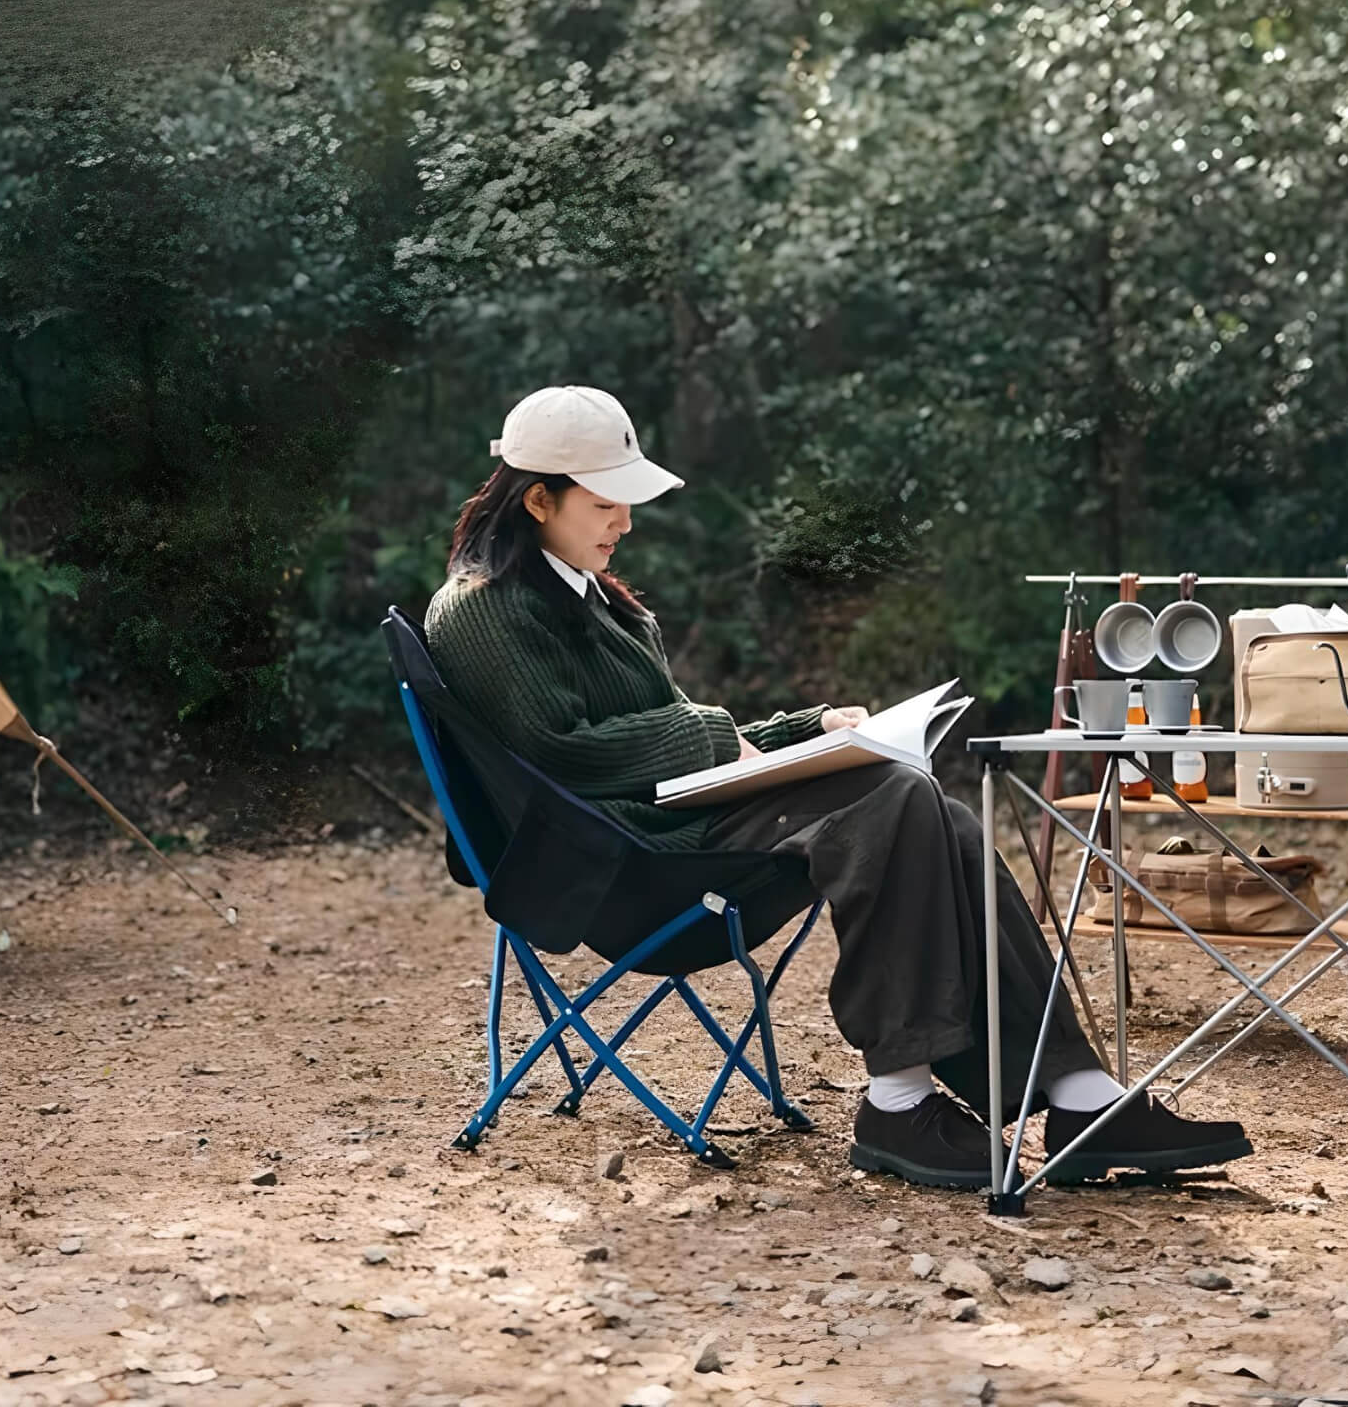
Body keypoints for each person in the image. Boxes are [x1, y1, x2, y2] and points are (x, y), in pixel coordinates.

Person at [424, 385, 1253, 1189]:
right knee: (894, 801)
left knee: (939, 809)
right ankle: (898, 1098)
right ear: (538, 501)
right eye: (606, 503)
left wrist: (811, 730)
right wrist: (724, 735)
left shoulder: (598, 602)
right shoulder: (481, 610)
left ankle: (1077, 1096)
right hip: (629, 863)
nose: (626, 522)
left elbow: (676, 735)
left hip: (680, 825)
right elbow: (560, 752)